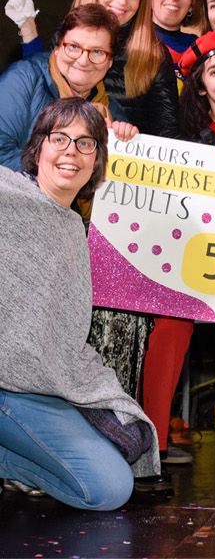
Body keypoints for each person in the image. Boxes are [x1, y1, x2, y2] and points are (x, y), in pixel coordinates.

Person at [0, 98, 159, 510]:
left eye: (86, 143)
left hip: (37, 390)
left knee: (109, 489)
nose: (71, 151)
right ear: (38, 149)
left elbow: (67, 338)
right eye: (60, 138)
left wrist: (107, 392)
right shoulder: (6, 191)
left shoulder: (73, 230)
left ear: (96, 162)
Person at [9, 0, 181, 139]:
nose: (122, 1)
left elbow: (169, 134)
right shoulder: (66, 36)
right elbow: (39, 90)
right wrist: (28, 31)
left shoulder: (155, 55)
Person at [0, 5, 136, 172]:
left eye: (98, 52)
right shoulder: (23, 79)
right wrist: (60, 173)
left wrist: (124, 142)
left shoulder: (111, 111)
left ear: (110, 62)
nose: (83, 60)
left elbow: (122, 179)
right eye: (73, 47)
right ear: (57, 49)